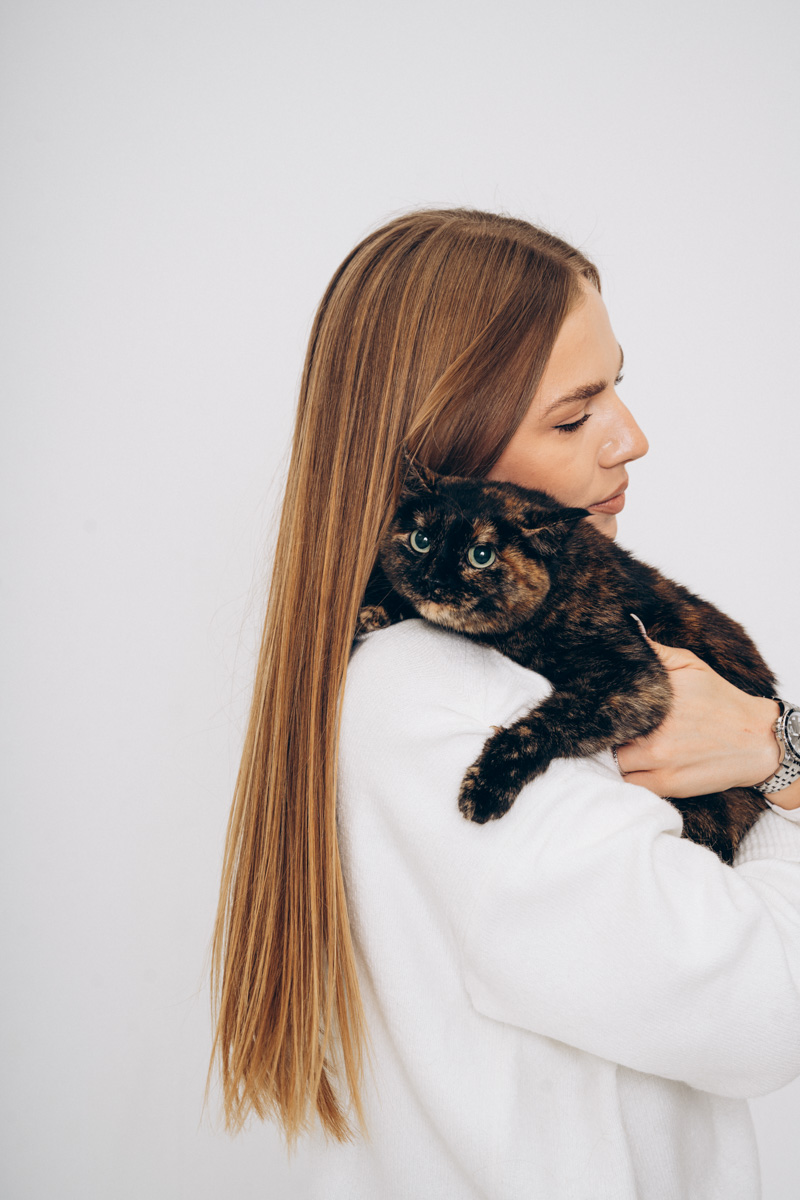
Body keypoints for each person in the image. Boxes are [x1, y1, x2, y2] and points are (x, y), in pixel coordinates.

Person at [207, 208, 800, 1199]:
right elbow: (763, 1008)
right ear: (441, 464)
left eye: (618, 385)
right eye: (572, 416)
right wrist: (780, 762)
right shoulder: (436, 705)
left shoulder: (480, 672)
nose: (631, 438)